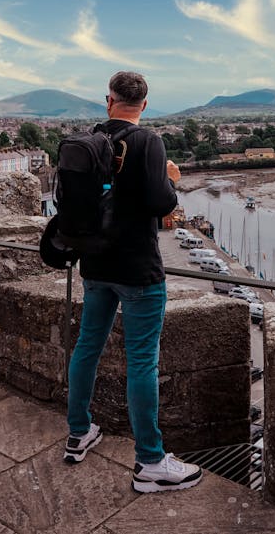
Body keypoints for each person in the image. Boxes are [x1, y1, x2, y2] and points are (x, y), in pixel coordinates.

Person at [63, 71, 202, 493]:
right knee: (142, 361)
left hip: (95, 265)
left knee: (87, 346)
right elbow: (161, 203)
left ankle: (79, 432)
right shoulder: (148, 142)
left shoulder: (91, 140)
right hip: (138, 269)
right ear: (144, 104)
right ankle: (150, 463)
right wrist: (171, 179)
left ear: (109, 101)